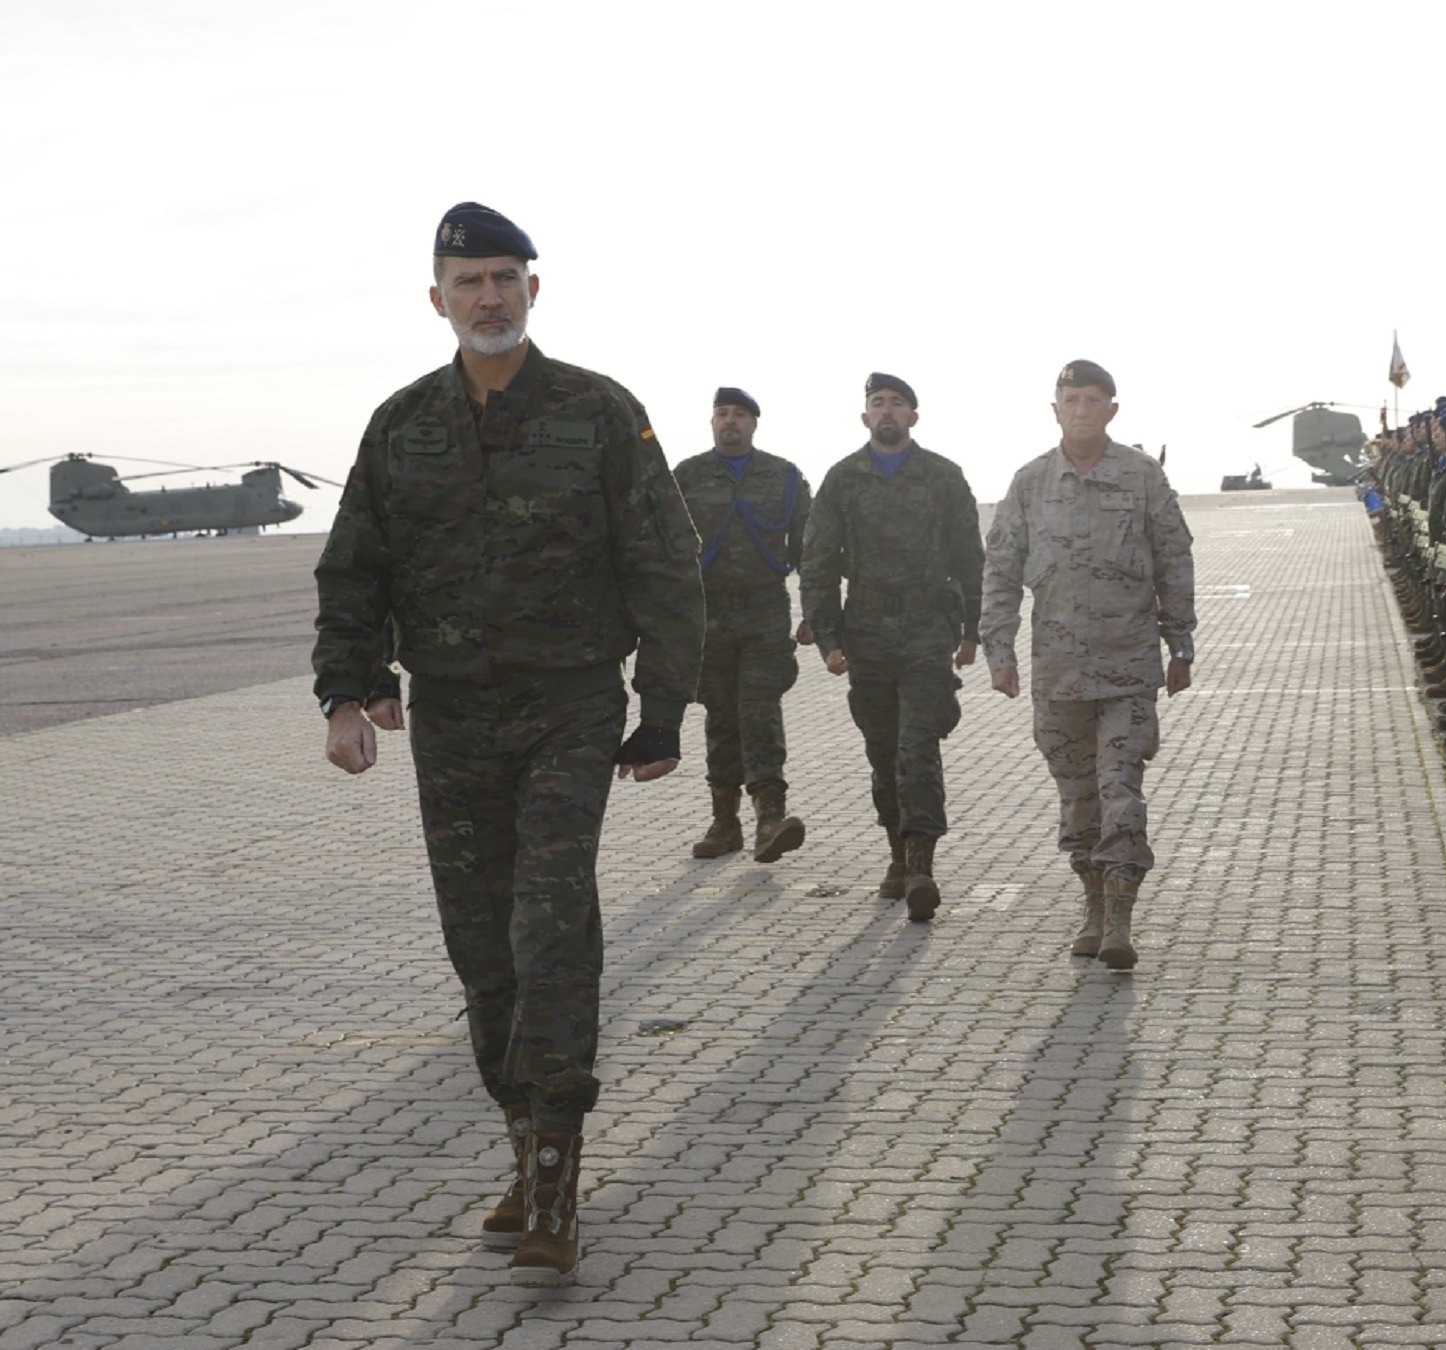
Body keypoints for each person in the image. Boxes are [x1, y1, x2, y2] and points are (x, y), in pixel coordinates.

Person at [312, 202, 706, 1285]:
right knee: (481, 950)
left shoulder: (597, 412)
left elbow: (668, 566)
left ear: (535, 289)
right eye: (468, 280)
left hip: (570, 710)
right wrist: (349, 692)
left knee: (548, 928)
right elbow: (353, 570)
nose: (488, 296)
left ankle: (555, 1177)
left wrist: (664, 709)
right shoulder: (399, 426)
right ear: (436, 298)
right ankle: (522, 1138)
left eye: (506, 277)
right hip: (450, 722)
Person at [981, 360, 1196, 970]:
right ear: (1055, 410)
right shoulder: (1029, 483)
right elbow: (1000, 570)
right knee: (1077, 798)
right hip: (1058, 674)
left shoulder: (1141, 476)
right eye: (1070, 399)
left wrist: (1181, 645)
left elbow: (1174, 558)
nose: (1081, 409)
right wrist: (999, 651)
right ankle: (1093, 904)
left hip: (1128, 666)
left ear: (1112, 409)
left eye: (1092, 399)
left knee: (1120, 788)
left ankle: (1122, 917)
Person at [801, 373, 984, 920]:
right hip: (867, 634)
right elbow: (818, 564)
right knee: (882, 751)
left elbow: (969, 558)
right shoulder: (842, 479)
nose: (887, 411)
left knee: (917, 748)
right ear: (864, 417)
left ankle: (922, 863)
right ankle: (897, 857)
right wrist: (828, 639)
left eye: (897, 404)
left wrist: (973, 632)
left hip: (928, 630)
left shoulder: (944, 477)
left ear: (913, 416)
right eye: (877, 403)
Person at [671, 388, 812, 863]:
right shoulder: (686, 476)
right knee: (719, 713)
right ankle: (724, 820)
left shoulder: (784, 476)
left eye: (739, 415)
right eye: (721, 414)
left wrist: (816, 612)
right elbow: (665, 547)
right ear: (712, 423)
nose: (729, 422)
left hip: (764, 611)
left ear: (754, 423)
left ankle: (770, 816)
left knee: (758, 706)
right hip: (706, 613)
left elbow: (808, 548)